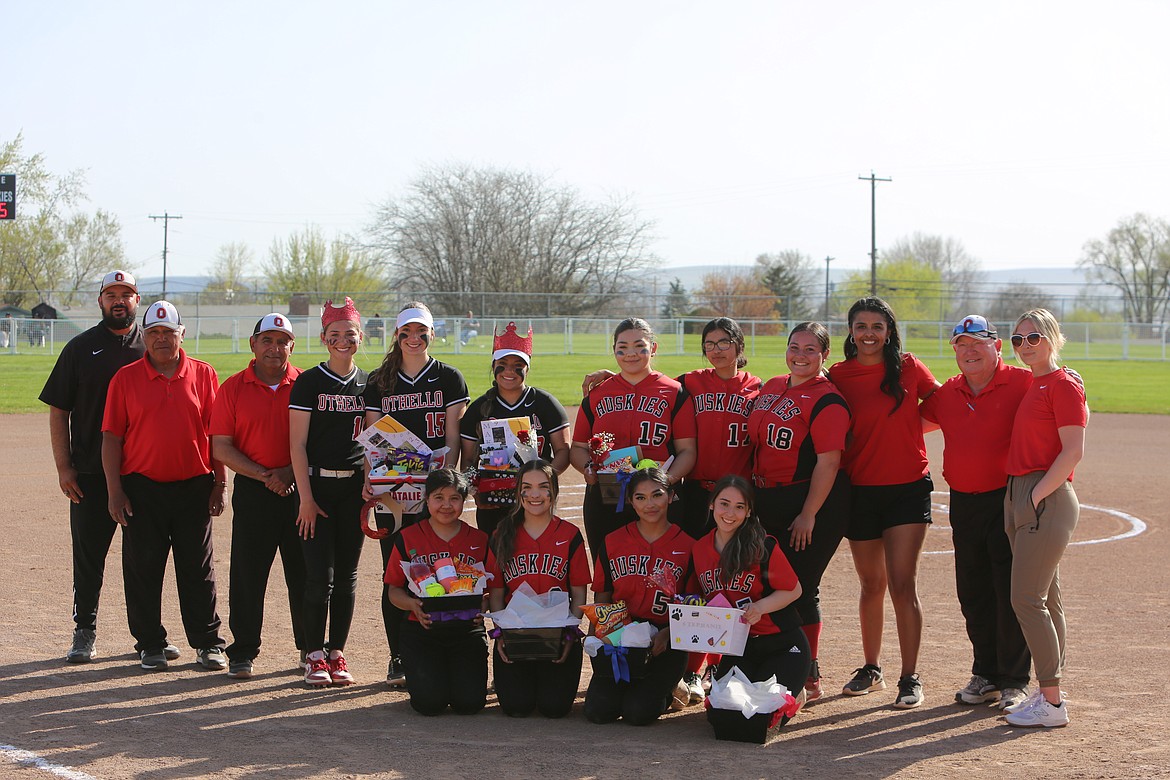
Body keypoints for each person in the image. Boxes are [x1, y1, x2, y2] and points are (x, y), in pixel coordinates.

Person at [101, 300, 227, 671]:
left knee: (198, 569)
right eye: (153, 333)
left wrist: (220, 483)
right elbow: (111, 438)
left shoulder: (203, 375)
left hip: (194, 486)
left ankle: (208, 643)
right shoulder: (125, 378)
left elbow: (216, 435)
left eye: (167, 332)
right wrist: (115, 490)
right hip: (142, 488)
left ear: (181, 334)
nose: (160, 340)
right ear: (145, 336)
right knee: (143, 567)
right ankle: (150, 642)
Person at [828, 297, 939, 709]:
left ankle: (910, 677)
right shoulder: (838, 375)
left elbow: (943, 406)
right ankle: (871, 669)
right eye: (861, 326)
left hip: (908, 488)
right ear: (851, 331)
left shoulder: (909, 367)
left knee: (902, 584)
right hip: (860, 491)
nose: (869, 333)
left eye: (877, 325)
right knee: (871, 584)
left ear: (889, 330)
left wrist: (911, 427)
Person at [920, 315, 1033, 711]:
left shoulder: (1022, 382)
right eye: (961, 345)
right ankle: (985, 672)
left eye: (977, 343)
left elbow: (1062, 403)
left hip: (1007, 498)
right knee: (972, 590)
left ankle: (1015, 679)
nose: (969, 351)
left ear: (997, 346)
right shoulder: (948, 393)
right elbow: (908, 423)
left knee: (1008, 589)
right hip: (963, 502)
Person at [39, 270, 150, 663]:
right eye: (111, 294)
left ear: (138, 300)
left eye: (126, 294)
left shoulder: (152, 346)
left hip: (139, 473)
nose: (119, 301)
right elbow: (59, 410)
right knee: (88, 557)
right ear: (100, 301)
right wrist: (64, 467)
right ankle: (84, 630)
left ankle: (147, 637)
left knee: (143, 559)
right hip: (88, 471)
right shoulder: (80, 348)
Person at [362, 301, 470, 687]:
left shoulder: (449, 377)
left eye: (420, 331)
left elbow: (454, 437)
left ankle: (435, 647)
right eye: (406, 331)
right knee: (397, 572)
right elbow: (373, 440)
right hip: (393, 491)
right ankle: (399, 655)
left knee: (437, 569)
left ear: (431, 335)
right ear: (396, 335)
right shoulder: (379, 380)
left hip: (434, 489)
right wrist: (369, 481)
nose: (414, 338)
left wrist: (449, 484)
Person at [747, 322, 850, 703]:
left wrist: (808, 514)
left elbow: (829, 462)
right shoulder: (772, 386)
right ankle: (781, 664)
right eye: (795, 347)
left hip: (810, 501)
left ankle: (809, 674)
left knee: (800, 589)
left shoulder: (828, 399)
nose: (801, 355)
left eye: (810, 349)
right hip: (768, 498)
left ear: (825, 355)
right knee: (772, 584)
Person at [1000, 309, 1087, 728]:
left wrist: (1034, 494)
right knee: (1047, 599)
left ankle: (1051, 703)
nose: (1024, 346)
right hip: (1023, 492)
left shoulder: (1064, 383)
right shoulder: (1035, 383)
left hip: (1045, 495)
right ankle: (1050, 693)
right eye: (1017, 340)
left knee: (1026, 599)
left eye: (1033, 337)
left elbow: (1072, 451)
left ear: (1052, 337)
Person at [210, 313, 307, 679]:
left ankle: (309, 646)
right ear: (253, 344)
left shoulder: (306, 384)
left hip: (300, 490)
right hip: (254, 489)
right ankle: (244, 650)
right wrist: (267, 475)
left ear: (291, 346)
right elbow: (222, 447)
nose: (275, 347)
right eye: (267, 340)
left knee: (304, 572)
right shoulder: (233, 387)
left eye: (282, 341)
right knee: (249, 574)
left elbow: (316, 441)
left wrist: (288, 474)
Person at [570, 318, 698, 560]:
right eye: (622, 348)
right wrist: (588, 468)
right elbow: (578, 447)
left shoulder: (674, 392)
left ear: (654, 348)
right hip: (607, 494)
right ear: (614, 350)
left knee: (664, 569)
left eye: (639, 346)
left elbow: (687, 451)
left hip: (658, 499)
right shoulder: (598, 393)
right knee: (608, 570)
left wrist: (663, 483)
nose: (631, 354)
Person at [289, 298, 368, 686]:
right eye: (334, 335)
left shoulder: (369, 384)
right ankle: (313, 653)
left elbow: (374, 442)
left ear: (360, 338)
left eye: (349, 334)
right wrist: (305, 498)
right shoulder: (310, 382)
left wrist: (372, 482)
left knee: (349, 575)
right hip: (317, 487)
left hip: (353, 488)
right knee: (319, 576)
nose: (342, 341)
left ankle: (336, 651)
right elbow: (297, 445)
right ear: (323, 338)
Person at [687, 475, 810, 720]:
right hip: (739, 648)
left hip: (782, 643)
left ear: (749, 511)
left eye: (739, 507)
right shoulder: (699, 548)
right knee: (722, 715)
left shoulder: (762, 546)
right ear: (711, 504)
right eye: (724, 503)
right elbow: (696, 595)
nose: (730, 513)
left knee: (764, 716)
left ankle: (796, 689)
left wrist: (761, 606)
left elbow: (794, 590)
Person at [584, 468, 695, 726]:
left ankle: (671, 687)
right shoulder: (613, 541)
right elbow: (603, 594)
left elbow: (693, 605)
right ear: (631, 502)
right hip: (621, 636)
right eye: (641, 497)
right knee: (599, 712)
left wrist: (669, 633)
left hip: (665, 640)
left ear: (670, 496)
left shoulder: (689, 546)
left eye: (657, 495)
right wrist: (594, 637)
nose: (650, 504)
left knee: (638, 714)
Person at [486, 460, 590, 718]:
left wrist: (570, 634)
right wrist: (500, 634)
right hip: (516, 636)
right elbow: (496, 593)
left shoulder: (569, 534)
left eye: (543, 487)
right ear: (518, 491)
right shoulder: (502, 533)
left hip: (556, 637)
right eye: (527, 487)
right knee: (515, 708)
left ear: (553, 492)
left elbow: (578, 593)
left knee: (554, 709)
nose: (535, 494)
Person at [385, 468, 491, 715]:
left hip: (466, 632)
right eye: (439, 498)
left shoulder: (479, 539)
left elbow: (493, 591)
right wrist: (413, 605)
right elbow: (393, 590)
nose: (447, 505)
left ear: (464, 501)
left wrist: (484, 608)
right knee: (429, 704)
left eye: (454, 498)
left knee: (469, 704)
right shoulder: (408, 538)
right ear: (426, 499)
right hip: (422, 631)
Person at [462, 321, 570, 537]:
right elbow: (467, 461)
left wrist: (542, 484)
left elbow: (563, 452)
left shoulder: (545, 403)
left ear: (527, 368)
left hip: (535, 501)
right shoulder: (478, 409)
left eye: (517, 364)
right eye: (503, 363)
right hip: (492, 502)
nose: (509, 370)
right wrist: (476, 490)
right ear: (493, 366)